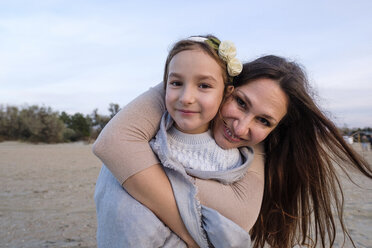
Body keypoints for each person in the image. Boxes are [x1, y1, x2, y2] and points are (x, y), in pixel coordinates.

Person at [93, 55, 372, 247]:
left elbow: (239, 215)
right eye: (240, 102)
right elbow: (112, 144)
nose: (240, 128)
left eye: (264, 121)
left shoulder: (253, 153)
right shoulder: (171, 106)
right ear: (226, 87)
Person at [95, 35, 269, 248]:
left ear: (226, 93)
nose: (186, 97)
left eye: (204, 85)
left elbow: (230, 228)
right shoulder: (143, 142)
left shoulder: (233, 158)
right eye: (176, 83)